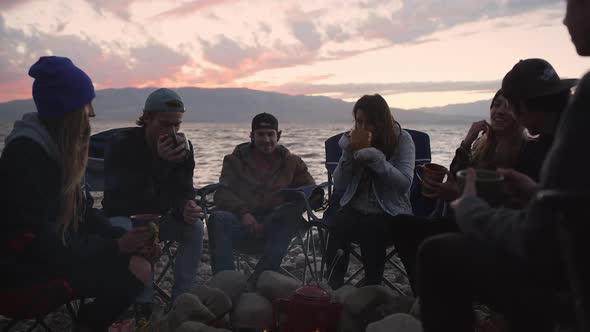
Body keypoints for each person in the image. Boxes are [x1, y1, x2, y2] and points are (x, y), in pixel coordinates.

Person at [416, 48, 583, 332]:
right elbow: (564, 209)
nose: (502, 111)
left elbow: (540, 234)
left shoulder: (562, 145)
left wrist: (471, 209)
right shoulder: (564, 134)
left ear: (522, 109)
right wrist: (534, 193)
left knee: (435, 252)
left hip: (563, 279)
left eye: (509, 105)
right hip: (561, 263)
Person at [0, 56, 153, 331]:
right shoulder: (25, 158)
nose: (92, 113)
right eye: (86, 104)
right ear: (66, 111)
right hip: (22, 277)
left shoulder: (55, 152)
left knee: (138, 260)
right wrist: (115, 248)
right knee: (136, 270)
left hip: (52, 259)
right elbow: (41, 243)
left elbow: (83, 214)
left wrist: (123, 238)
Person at [101, 88, 204, 329]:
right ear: (147, 118)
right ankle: (143, 307)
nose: (172, 132)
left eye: (177, 126)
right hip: (122, 219)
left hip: (160, 219)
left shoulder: (182, 147)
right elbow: (122, 197)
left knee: (195, 228)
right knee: (138, 231)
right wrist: (158, 163)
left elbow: (184, 189)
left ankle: (181, 301)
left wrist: (186, 207)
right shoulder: (121, 144)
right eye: (165, 125)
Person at [208, 112, 315, 283]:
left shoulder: (292, 162)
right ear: (251, 136)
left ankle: (257, 282)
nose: (266, 140)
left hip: (276, 227)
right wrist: (244, 213)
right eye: (261, 134)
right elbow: (222, 193)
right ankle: (226, 283)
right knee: (217, 218)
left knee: (291, 213)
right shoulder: (234, 161)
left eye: (270, 134)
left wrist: (284, 205)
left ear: (278, 135)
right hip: (243, 224)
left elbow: (312, 192)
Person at [324, 94, 416, 289]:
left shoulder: (403, 140)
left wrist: (378, 161)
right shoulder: (354, 139)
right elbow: (339, 184)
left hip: (390, 211)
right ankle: (333, 284)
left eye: (369, 122)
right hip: (356, 206)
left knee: (371, 227)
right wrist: (347, 155)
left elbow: (405, 183)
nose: (363, 128)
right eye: (359, 122)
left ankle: (372, 286)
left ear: (381, 122)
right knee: (339, 223)